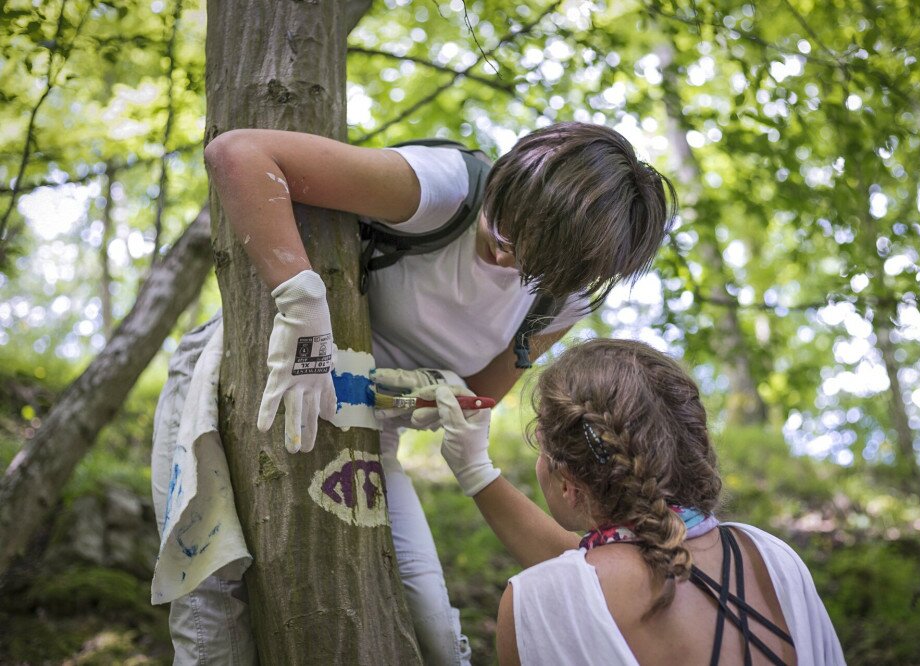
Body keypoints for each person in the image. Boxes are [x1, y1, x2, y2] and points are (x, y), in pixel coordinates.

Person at [150, 122, 678, 664]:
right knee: (212, 615)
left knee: (433, 635)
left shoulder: (559, 299)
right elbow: (238, 153)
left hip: (369, 431)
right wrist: (300, 300)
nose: (503, 258)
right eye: (505, 231)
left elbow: (470, 399)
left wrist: (417, 396)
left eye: (529, 261)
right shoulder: (444, 188)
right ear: (511, 179)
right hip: (238, 377)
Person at [420, 337, 846, 665]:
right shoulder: (771, 559)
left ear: (568, 482)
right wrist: (475, 472)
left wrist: (473, 465)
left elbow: (580, 585)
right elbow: (598, 567)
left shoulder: (536, 602)